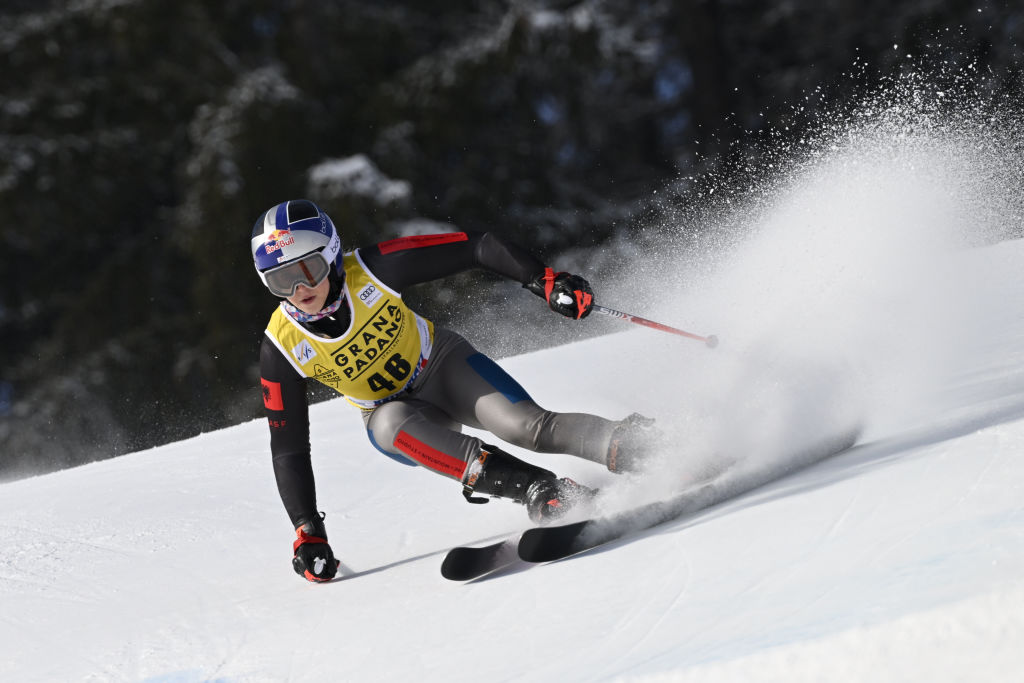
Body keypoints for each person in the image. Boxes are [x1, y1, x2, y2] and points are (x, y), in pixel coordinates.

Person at [252, 199, 658, 582]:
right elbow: (288, 447)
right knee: (389, 422)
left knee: (526, 427)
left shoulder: (374, 269)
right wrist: (308, 530)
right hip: (398, 416)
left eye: (308, 270)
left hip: (442, 366)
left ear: (333, 254)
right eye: (280, 280)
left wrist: (543, 279)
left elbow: (476, 246)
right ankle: (540, 489)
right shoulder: (280, 347)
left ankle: (632, 443)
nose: (299, 290)